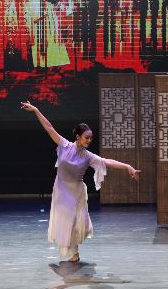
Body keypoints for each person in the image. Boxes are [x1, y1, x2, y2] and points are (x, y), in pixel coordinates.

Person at [20, 101, 140, 262]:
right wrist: (36, 110)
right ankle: (73, 252)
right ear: (78, 136)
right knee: (66, 222)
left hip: (76, 192)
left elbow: (106, 161)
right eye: (86, 137)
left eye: (91, 138)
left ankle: (75, 251)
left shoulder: (88, 156)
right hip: (62, 189)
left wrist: (127, 166)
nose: (89, 140)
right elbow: (49, 128)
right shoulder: (64, 145)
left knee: (77, 223)